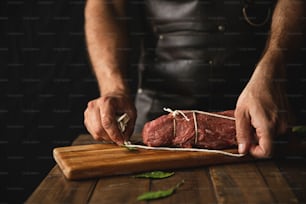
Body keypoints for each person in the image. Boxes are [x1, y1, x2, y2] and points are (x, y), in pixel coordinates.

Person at [83, 0, 305, 158]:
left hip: (265, 114)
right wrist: (114, 88)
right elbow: (107, 4)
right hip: (155, 119)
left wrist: (271, 70)